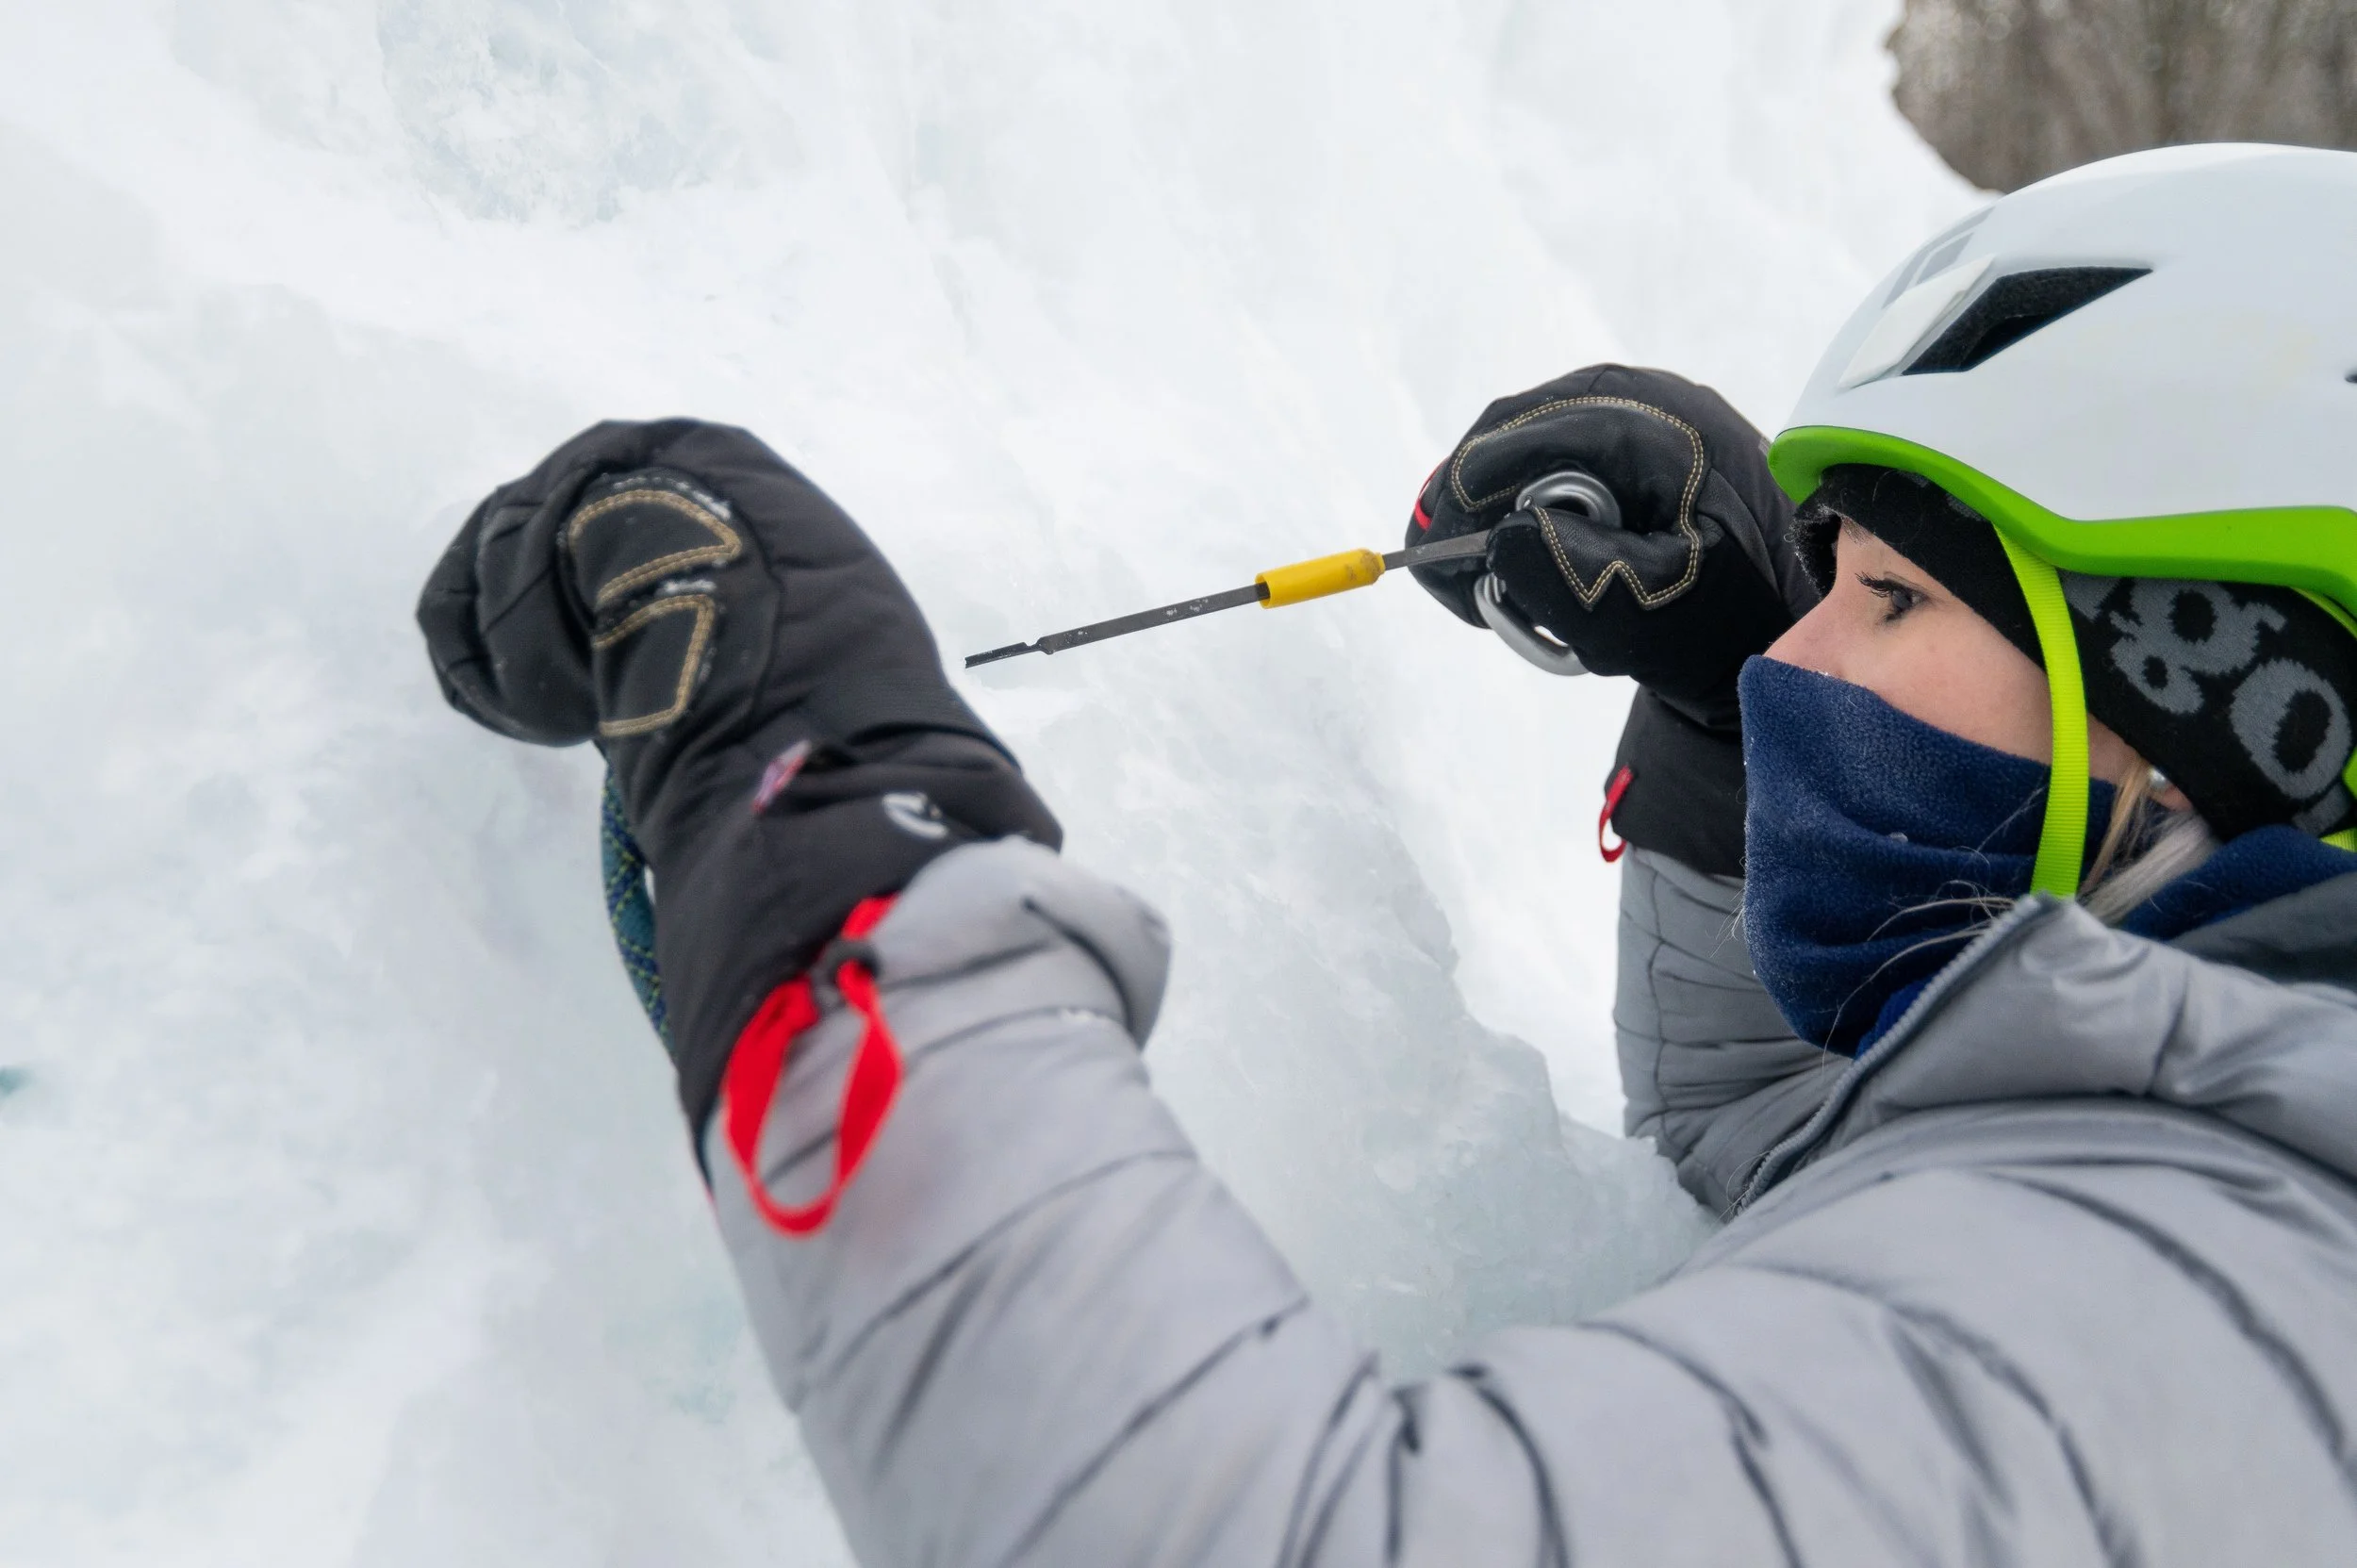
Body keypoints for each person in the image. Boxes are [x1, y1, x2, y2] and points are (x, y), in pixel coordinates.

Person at [419, 144, 2357, 1563]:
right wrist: (1714, 749)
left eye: (1883, 597)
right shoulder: (2241, 1221)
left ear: (2225, 705)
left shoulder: (2214, 1311)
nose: (1787, 654)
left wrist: (835, 819)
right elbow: (1840, 1175)